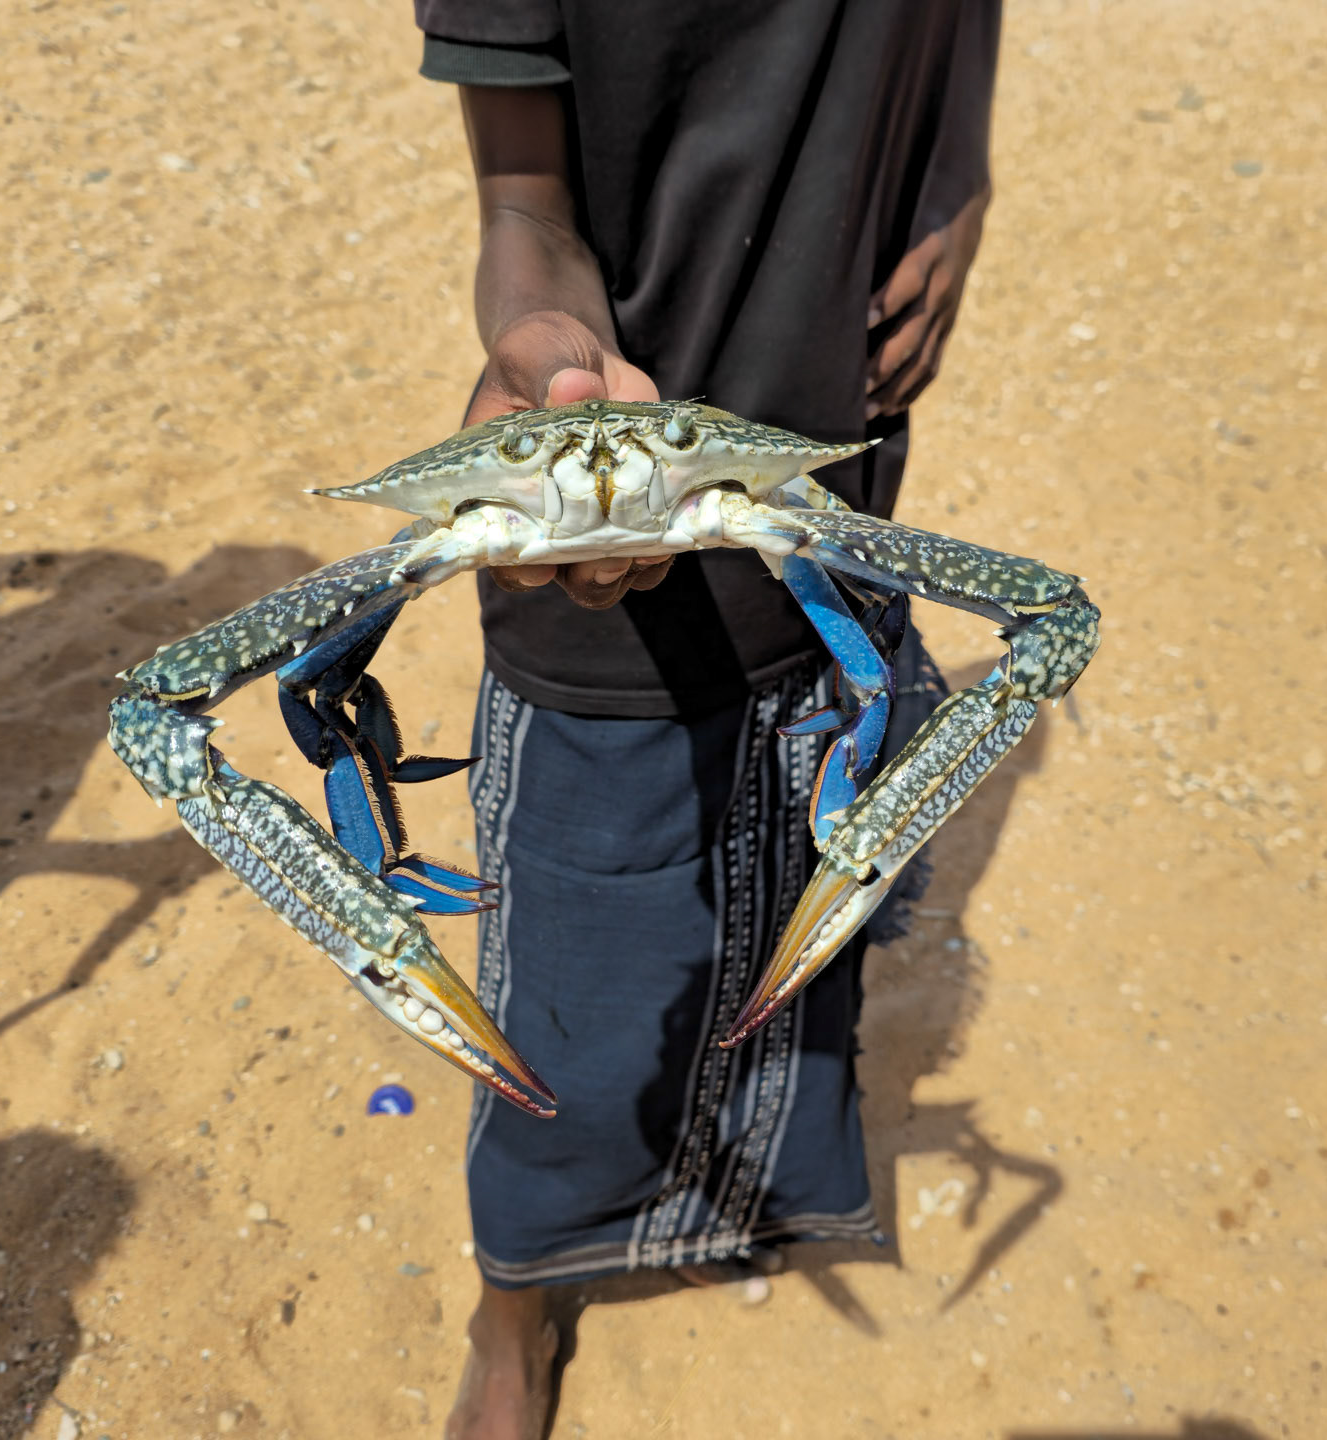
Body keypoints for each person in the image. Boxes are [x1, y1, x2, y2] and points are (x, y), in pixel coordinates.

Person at [411, 5, 1002, 1436]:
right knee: (567, 978)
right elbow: (524, 204)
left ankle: (732, 1201)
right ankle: (518, 1294)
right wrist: (542, 352)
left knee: (804, 892)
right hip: (602, 565)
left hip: (832, 497)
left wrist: (963, 181)